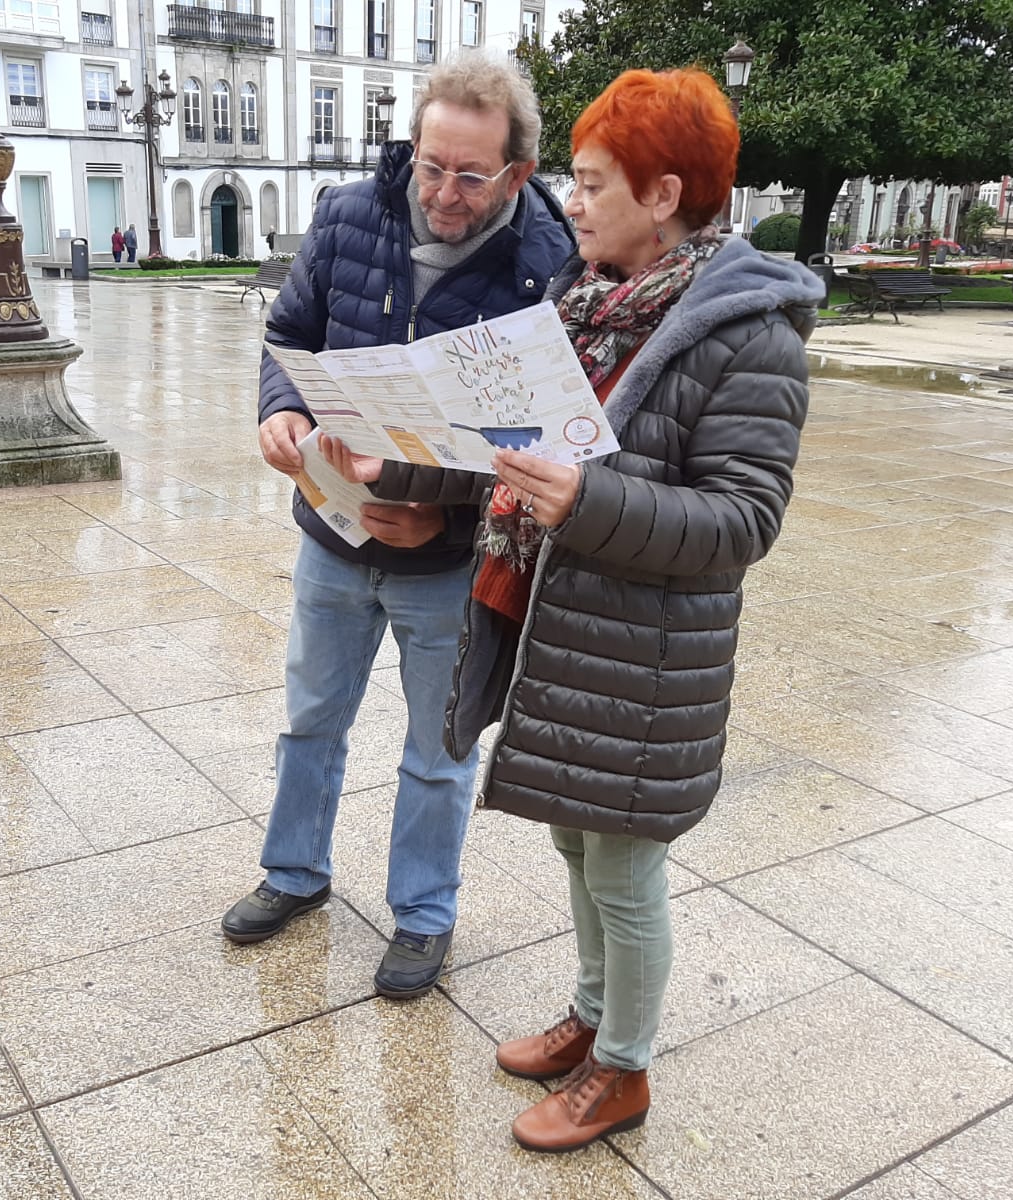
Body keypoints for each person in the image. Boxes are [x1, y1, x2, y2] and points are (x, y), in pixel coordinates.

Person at [320, 66, 820, 1149]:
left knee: (626, 867)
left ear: (663, 193)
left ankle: (625, 1072)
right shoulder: (579, 303)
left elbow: (742, 523)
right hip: (559, 626)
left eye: (593, 183)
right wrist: (398, 462)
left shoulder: (748, 331)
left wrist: (590, 500)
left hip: (645, 654)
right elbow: (498, 454)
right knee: (574, 844)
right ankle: (591, 1019)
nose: (571, 202)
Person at [219, 55, 575, 1000]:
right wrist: (280, 409)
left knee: (437, 749)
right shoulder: (348, 213)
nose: (442, 191)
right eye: (429, 163)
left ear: (515, 172)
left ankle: (423, 915)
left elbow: (537, 437)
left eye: (469, 175)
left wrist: (435, 506)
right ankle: (293, 874)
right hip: (334, 531)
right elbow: (291, 335)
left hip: (448, 555)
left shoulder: (549, 261)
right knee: (310, 720)